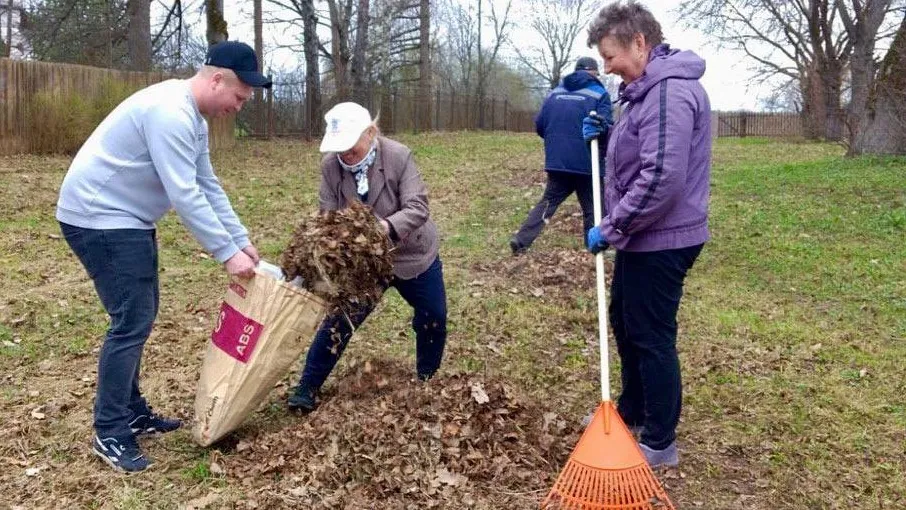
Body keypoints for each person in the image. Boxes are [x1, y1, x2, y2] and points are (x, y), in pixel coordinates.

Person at [56, 41, 272, 472]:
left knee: (140, 315)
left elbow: (207, 184)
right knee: (130, 320)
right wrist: (227, 254)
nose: (239, 106)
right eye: (238, 97)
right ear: (216, 79)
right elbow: (184, 193)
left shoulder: (192, 118)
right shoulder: (170, 113)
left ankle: (131, 409)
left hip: (127, 219)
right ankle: (111, 431)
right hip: (100, 217)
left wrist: (240, 239)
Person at [583, 1, 711, 468]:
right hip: (647, 234)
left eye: (611, 55)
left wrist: (611, 227)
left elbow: (660, 179)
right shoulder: (645, 91)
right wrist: (609, 129)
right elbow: (642, 150)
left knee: (651, 335)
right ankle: (634, 409)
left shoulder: (668, 93)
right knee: (626, 320)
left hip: (665, 237)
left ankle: (659, 440)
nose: (607, 67)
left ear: (640, 43)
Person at [287, 102, 447, 412]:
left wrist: (383, 227)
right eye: (339, 148)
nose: (344, 154)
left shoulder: (398, 156)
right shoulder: (331, 167)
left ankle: (427, 380)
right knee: (339, 321)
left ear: (370, 133)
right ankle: (307, 387)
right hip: (364, 264)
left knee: (433, 316)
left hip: (412, 253)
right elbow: (328, 216)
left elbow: (418, 208)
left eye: (350, 146)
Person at [509, 56, 613, 255]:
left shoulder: (554, 93)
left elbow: (540, 124)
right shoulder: (600, 94)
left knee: (548, 202)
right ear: (593, 73)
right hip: (587, 161)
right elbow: (606, 128)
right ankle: (595, 248)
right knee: (593, 207)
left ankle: (521, 240)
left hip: (558, 162)